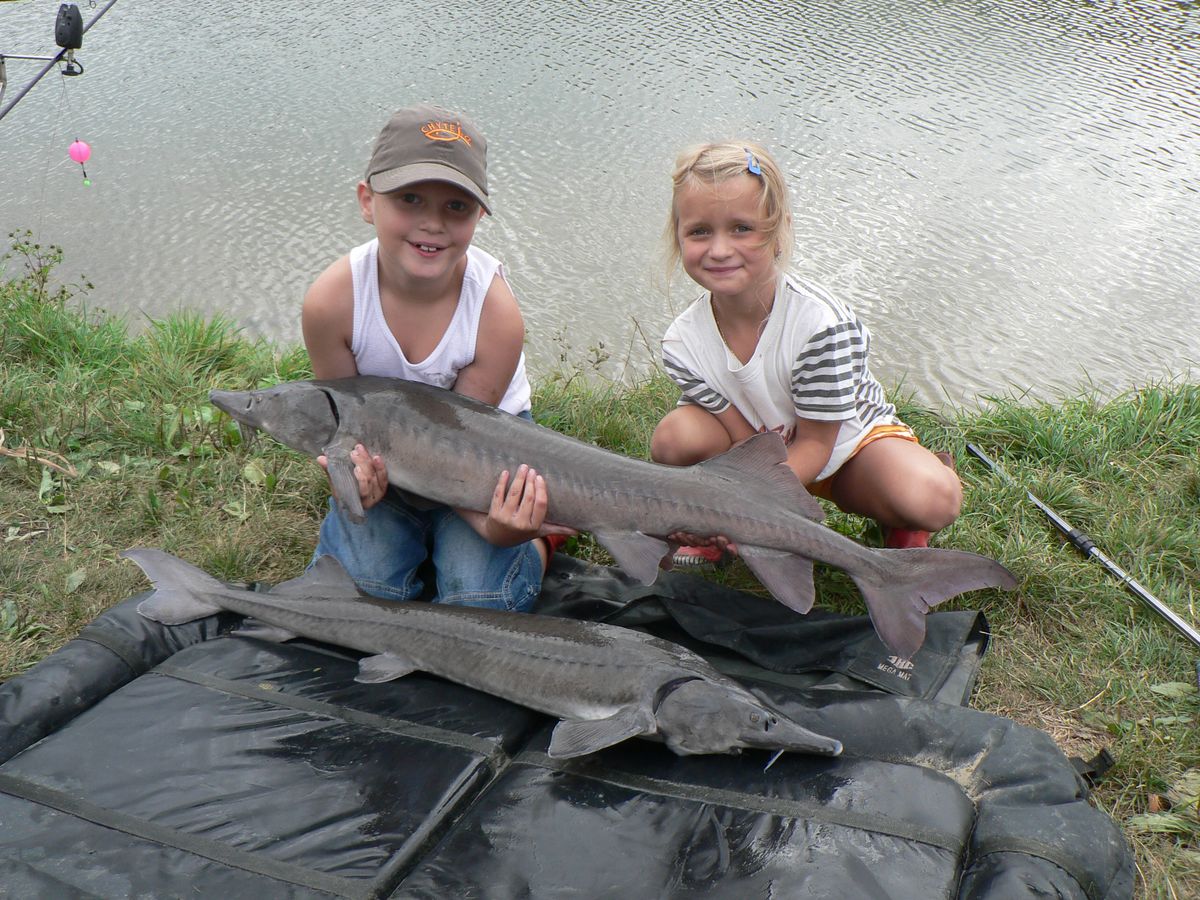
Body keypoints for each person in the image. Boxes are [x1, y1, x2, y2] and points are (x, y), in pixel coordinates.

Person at [301, 103, 569, 610]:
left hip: (484, 452)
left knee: (481, 597)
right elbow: (336, 428)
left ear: (479, 215)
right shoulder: (330, 303)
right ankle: (409, 529)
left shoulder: (495, 312)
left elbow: (459, 451)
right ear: (366, 200)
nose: (432, 224)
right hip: (385, 451)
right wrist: (357, 479)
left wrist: (499, 527)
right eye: (409, 198)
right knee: (363, 592)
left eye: (456, 207)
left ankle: (538, 538)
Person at [650, 140, 962, 563]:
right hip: (763, 449)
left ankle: (907, 502)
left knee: (933, 499)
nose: (720, 249)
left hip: (847, 449)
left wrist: (741, 512)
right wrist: (747, 502)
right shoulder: (681, 344)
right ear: (679, 236)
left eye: (742, 228)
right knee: (674, 438)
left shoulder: (819, 327)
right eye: (700, 231)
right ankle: (725, 528)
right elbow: (742, 439)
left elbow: (816, 444)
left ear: (778, 233)